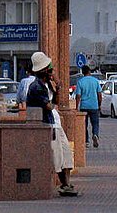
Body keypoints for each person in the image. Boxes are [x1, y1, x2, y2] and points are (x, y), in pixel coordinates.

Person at [26, 51, 78, 197]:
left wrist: (58, 87)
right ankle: (64, 185)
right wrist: (54, 91)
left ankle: (66, 184)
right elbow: (48, 106)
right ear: (43, 71)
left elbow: (55, 102)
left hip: (56, 122)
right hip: (47, 124)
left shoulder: (47, 84)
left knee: (66, 153)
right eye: (50, 69)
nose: (52, 71)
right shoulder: (36, 87)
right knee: (57, 156)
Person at [75, 65, 102, 148]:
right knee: (95, 123)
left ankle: (86, 141)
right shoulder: (96, 81)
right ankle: (95, 134)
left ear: (82, 73)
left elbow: (78, 95)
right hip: (94, 105)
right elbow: (99, 94)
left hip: (84, 106)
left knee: (84, 124)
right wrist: (99, 104)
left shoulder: (80, 82)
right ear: (90, 71)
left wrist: (76, 107)